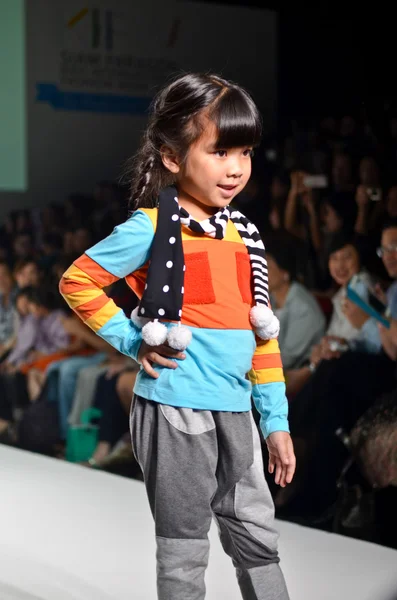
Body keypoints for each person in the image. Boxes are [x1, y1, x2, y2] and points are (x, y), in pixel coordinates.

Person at [60, 72, 295, 600]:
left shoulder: (245, 235)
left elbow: (261, 335)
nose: (236, 168)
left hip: (238, 412)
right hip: (175, 409)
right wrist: (132, 339)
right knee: (185, 549)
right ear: (171, 156)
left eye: (246, 151)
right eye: (220, 151)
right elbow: (78, 280)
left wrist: (275, 420)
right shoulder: (150, 227)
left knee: (259, 537)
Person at [266, 236, 326, 370]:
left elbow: (285, 359)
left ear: (285, 274)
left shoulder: (303, 308)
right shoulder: (271, 298)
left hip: (302, 377)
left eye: (267, 266)